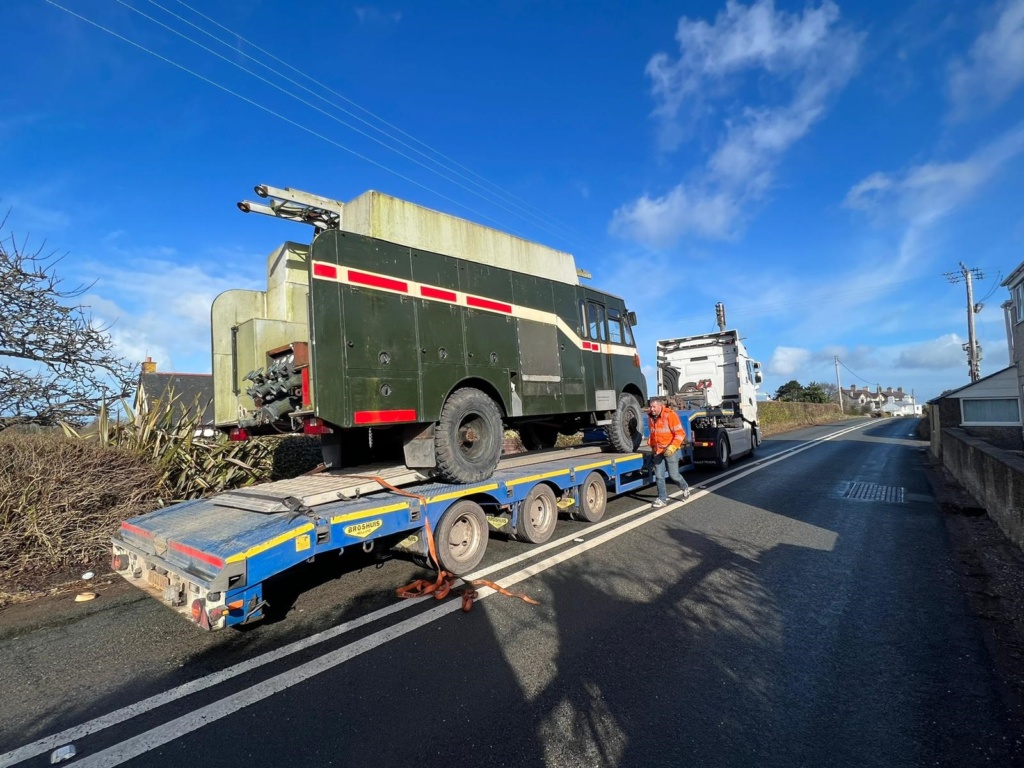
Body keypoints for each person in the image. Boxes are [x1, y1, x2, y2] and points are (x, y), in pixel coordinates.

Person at [647, 396, 690, 508]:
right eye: (650, 406)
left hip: (669, 450)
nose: (652, 409)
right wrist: (652, 447)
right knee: (659, 476)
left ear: (660, 406)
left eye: (654, 407)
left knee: (674, 475)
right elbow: (653, 433)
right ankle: (662, 498)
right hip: (658, 451)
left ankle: (684, 487)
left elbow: (680, 433)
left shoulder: (670, 415)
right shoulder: (651, 417)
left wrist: (672, 447)